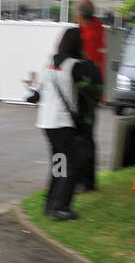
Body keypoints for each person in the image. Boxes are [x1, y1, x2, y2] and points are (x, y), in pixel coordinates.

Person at [36, 28, 97, 220]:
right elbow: (93, 81)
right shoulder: (75, 66)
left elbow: (41, 90)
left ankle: (51, 204)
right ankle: (61, 207)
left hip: (46, 121)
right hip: (62, 122)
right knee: (72, 164)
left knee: (59, 163)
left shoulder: (50, 63)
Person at [74, 1, 106, 190]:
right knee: (84, 137)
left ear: (81, 15)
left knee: (83, 137)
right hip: (89, 92)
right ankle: (84, 180)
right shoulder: (95, 29)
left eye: (75, 12)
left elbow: (86, 63)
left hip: (86, 92)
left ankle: (84, 181)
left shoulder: (90, 34)